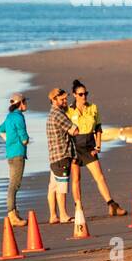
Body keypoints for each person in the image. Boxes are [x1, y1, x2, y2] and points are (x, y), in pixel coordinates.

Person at [67, 80, 126, 217]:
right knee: (76, 178)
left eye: (85, 94)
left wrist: (98, 146)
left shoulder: (93, 107)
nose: (84, 97)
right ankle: (78, 208)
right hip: (74, 145)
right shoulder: (69, 110)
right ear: (74, 95)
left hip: (89, 144)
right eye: (81, 94)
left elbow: (98, 128)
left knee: (99, 176)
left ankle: (111, 204)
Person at [45, 87, 81, 216]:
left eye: (66, 98)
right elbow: (74, 130)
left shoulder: (51, 114)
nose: (65, 101)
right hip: (62, 155)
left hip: (54, 156)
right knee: (62, 186)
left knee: (53, 187)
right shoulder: (58, 114)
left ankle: (53, 215)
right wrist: (77, 121)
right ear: (54, 100)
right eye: (62, 99)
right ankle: (64, 215)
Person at [0, 92, 30, 226]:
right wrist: (24, 141)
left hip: (10, 154)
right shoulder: (19, 117)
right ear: (21, 103)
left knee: (13, 183)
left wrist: (8, 140)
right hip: (18, 154)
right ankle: (12, 215)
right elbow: (24, 136)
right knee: (14, 185)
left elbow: (1, 129)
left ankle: (14, 213)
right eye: (25, 102)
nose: (26, 104)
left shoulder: (9, 117)